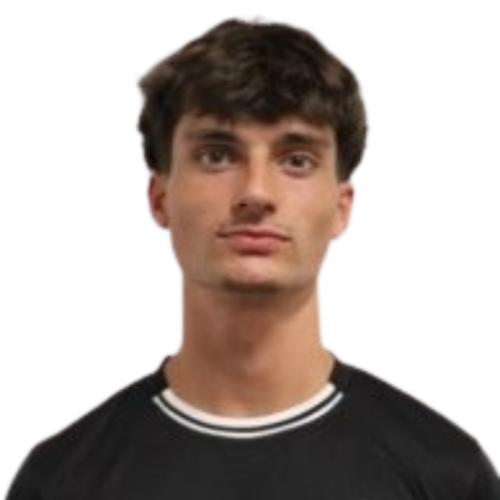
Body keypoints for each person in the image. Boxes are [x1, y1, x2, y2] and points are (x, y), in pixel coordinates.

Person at [5, 13, 498, 499]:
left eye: (296, 159)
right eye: (217, 154)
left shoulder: (448, 475)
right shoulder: (58, 482)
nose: (256, 192)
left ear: (344, 206)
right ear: (157, 197)